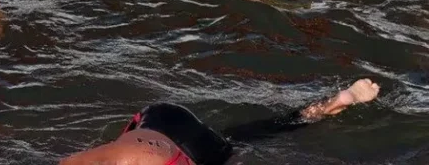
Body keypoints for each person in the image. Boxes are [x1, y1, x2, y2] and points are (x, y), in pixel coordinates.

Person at [60, 78, 380, 164]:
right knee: (256, 134)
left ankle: (335, 103)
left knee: (250, 136)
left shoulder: (136, 156)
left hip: (165, 128)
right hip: (186, 144)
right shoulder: (136, 155)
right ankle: (335, 102)